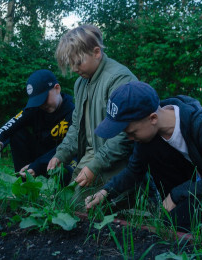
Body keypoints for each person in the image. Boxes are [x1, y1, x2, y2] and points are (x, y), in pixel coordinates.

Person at [86, 81, 202, 233]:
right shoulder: (148, 135)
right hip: (198, 190)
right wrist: (105, 191)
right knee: (170, 224)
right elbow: (134, 170)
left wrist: (177, 194)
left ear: (153, 118)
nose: (129, 138)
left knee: (181, 225)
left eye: (131, 132)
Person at [47, 24, 144, 205]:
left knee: (83, 210)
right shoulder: (80, 83)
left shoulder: (119, 79)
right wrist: (61, 154)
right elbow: (76, 125)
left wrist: (95, 166)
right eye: (70, 64)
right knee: (66, 205)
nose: (74, 69)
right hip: (91, 157)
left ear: (96, 52)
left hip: (118, 163)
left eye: (78, 63)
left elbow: (126, 134)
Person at [0, 69, 75, 182]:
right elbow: (8, 127)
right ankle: (25, 184)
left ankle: (57, 191)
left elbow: (72, 146)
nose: (41, 104)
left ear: (57, 89)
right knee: (17, 134)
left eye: (44, 98)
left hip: (63, 157)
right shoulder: (35, 108)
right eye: (37, 100)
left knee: (68, 171)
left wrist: (39, 165)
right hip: (38, 157)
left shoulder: (73, 112)